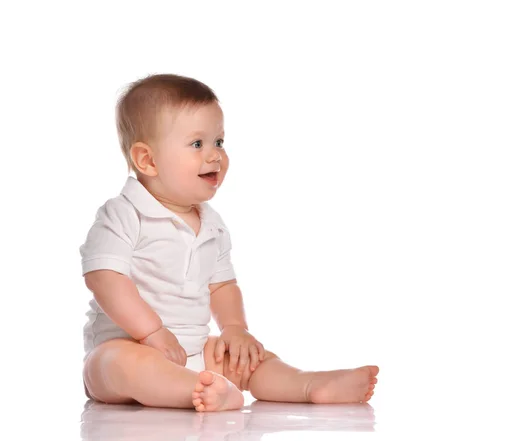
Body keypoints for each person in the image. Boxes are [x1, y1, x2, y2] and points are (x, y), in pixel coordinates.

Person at [80, 73, 379, 412]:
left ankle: (309, 384)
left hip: (193, 351)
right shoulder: (123, 213)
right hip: (127, 347)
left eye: (219, 142)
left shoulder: (212, 224)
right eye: (198, 144)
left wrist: (235, 329)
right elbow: (104, 277)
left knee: (245, 357)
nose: (215, 156)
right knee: (121, 362)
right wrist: (151, 333)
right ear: (147, 160)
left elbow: (222, 286)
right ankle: (195, 390)